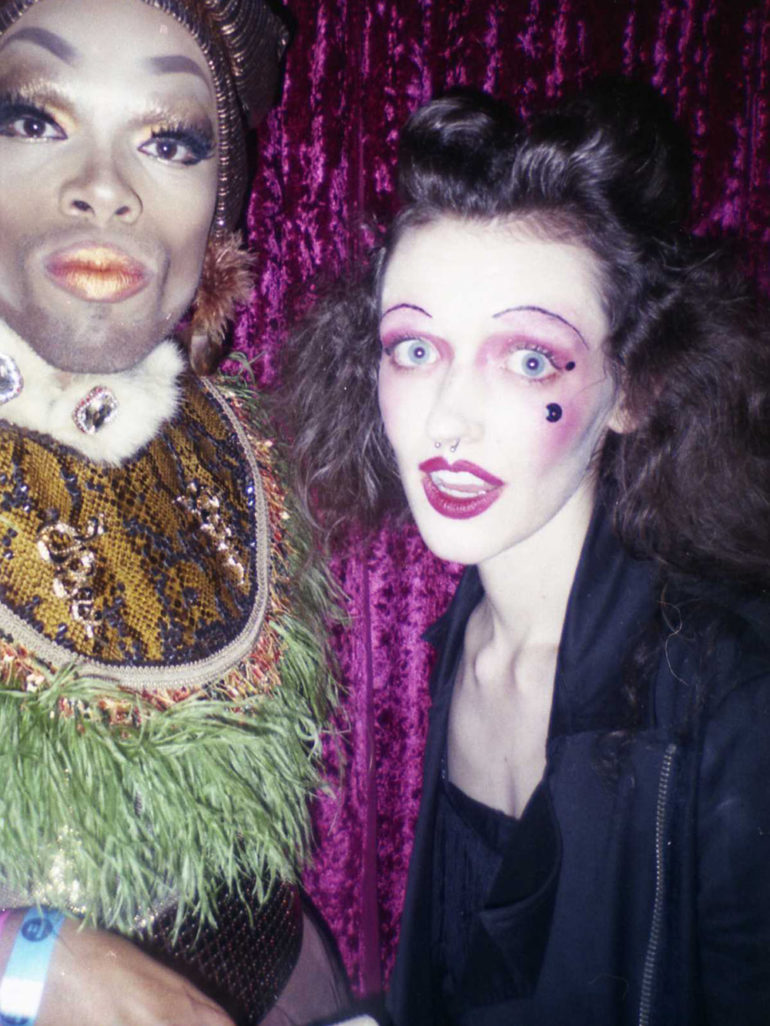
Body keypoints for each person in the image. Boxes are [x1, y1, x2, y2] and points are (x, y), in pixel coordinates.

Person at [282, 81, 770, 1024]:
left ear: (635, 385)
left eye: (529, 358)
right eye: (414, 349)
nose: (447, 420)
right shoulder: (467, 639)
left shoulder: (735, 703)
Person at [0, 0, 348, 1023]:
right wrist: (35, 962)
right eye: (35, 118)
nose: (104, 187)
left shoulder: (256, 452)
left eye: (169, 140)